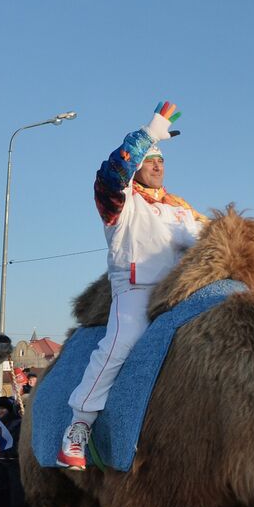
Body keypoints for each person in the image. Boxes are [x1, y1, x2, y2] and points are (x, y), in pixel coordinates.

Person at [59, 101, 206, 470]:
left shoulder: (182, 209)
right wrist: (149, 132)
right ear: (137, 165)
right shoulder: (119, 202)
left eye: (161, 160)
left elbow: (215, 239)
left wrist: (253, 234)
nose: (157, 165)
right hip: (136, 291)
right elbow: (112, 173)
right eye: (150, 159)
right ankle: (79, 425)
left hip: (180, 295)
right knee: (119, 343)